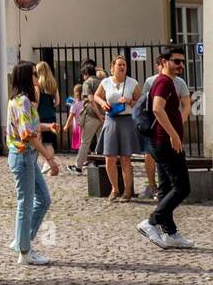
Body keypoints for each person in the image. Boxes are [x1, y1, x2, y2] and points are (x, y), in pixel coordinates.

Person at [138, 47, 194, 249]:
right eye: (176, 61)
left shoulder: (168, 82)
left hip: (160, 142)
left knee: (166, 187)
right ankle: (152, 222)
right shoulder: (164, 82)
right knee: (182, 187)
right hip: (165, 142)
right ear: (164, 61)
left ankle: (169, 232)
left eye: (182, 61)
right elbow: (156, 109)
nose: (180, 65)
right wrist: (173, 134)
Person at [7, 61, 56, 266]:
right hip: (23, 156)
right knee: (25, 204)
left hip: (26, 157)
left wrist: (46, 126)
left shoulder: (22, 100)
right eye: (34, 74)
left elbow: (29, 127)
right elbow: (27, 135)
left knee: (43, 199)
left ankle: (21, 240)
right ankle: (25, 251)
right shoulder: (22, 101)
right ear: (27, 77)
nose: (37, 77)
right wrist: (49, 158)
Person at [137, 64, 192, 201]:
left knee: (170, 182)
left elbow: (187, 104)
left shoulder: (179, 82)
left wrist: (178, 123)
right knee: (180, 186)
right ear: (160, 65)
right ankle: (152, 188)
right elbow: (151, 107)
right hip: (156, 132)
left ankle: (159, 217)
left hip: (171, 132)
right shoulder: (154, 81)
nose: (180, 65)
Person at [94, 55, 141, 201]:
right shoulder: (105, 82)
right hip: (111, 121)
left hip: (126, 121)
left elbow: (140, 102)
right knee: (109, 158)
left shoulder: (133, 83)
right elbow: (96, 96)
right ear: (112, 67)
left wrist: (129, 101)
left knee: (126, 158)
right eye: (119, 64)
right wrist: (102, 103)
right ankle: (114, 188)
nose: (122, 67)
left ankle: (127, 191)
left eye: (124, 65)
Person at [69, 62, 105, 174]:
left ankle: (78, 166)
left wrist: (98, 115)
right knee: (101, 141)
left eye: (83, 74)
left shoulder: (87, 83)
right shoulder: (102, 82)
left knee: (85, 141)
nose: (83, 76)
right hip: (103, 115)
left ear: (86, 73)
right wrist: (102, 115)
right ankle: (101, 163)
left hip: (92, 115)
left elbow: (91, 100)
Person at [33, 61, 61, 177]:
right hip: (51, 115)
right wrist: (51, 106)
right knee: (48, 142)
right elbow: (58, 101)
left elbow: (37, 102)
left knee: (39, 141)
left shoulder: (38, 84)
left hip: (41, 115)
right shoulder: (53, 83)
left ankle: (48, 162)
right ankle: (48, 162)